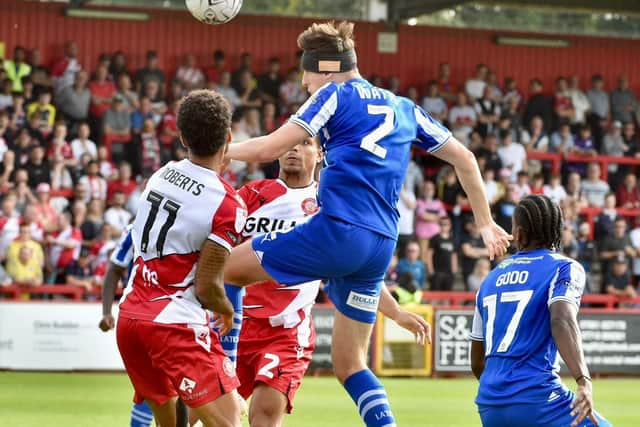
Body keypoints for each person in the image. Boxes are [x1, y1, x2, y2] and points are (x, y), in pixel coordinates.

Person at [222, 21, 510, 427]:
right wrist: (485, 223)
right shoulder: (405, 107)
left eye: (306, 73)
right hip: (380, 246)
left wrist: (218, 150)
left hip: (338, 229)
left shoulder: (334, 95)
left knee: (228, 269)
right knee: (350, 362)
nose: (304, 83)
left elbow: (270, 147)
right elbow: (466, 159)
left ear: (326, 68)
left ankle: (225, 380)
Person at [116, 90, 246, 427]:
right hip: (172, 321)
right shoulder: (228, 204)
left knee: (171, 423)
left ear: (182, 136)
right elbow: (206, 286)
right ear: (229, 138)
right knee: (231, 416)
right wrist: (226, 309)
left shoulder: (162, 174)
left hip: (131, 318)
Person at [470, 194, 611, 427]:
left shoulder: (489, 280)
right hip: (539, 401)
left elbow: (477, 362)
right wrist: (583, 380)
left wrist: (501, 399)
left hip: (489, 405)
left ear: (519, 234)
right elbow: (562, 320)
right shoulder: (564, 267)